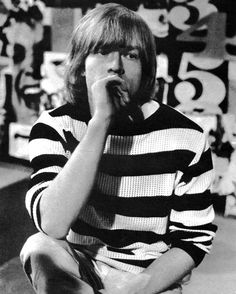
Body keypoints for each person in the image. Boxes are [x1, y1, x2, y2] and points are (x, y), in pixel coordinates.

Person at [20, 3, 217, 294]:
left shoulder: (186, 136)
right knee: (38, 247)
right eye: (102, 51)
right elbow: (52, 224)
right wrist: (100, 122)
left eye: (131, 55)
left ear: (146, 69)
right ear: (80, 65)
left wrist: (135, 287)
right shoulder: (55, 125)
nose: (116, 65)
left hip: (146, 274)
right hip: (79, 264)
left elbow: (193, 238)